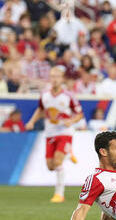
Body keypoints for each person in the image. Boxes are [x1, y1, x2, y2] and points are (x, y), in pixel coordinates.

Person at [25, 66, 84, 203]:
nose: (55, 79)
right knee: (50, 166)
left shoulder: (69, 96)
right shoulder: (45, 94)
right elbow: (40, 110)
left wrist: (71, 120)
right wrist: (31, 121)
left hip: (65, 132)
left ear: (62, 79)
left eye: (57, 76)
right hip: (50, 133)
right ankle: (68, 155)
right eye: (52, 76)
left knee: (58, 162)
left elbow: (79, 114)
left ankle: (59, 194)